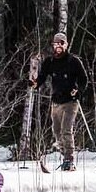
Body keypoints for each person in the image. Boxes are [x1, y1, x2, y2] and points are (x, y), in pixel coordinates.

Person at [32, 31, 88, 171]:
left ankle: (69, 159)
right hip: (56, 101)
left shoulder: (73, 61)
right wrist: (35, 83)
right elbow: (43, 76)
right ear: (53, 46)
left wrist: (78, 90)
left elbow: (83, 79)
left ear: (66, 45)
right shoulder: (50, 61)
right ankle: (65, 156)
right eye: (56, 44)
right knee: (56, 131)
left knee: (65, 130)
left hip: (70, 101)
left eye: (61, 43)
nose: (59, 46)